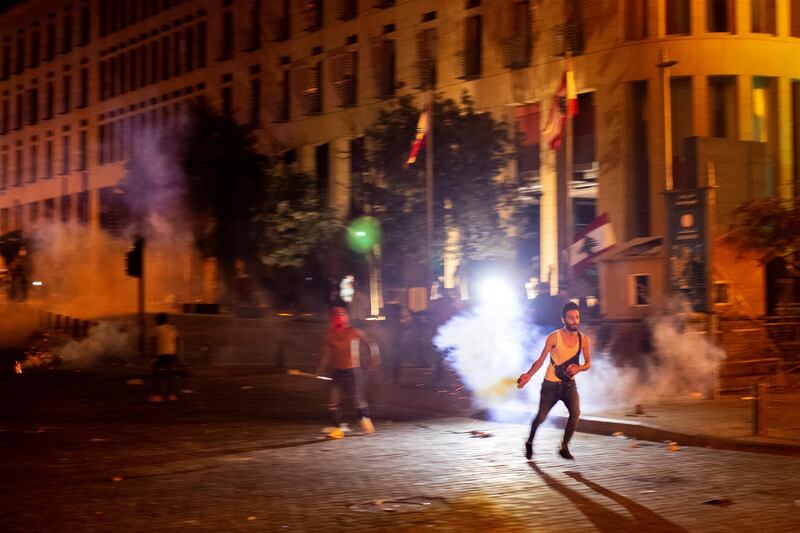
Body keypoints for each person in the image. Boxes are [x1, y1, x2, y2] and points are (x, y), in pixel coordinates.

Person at [517, 301, 591, 460]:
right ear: (563, 319)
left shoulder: (583, 340)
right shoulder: (554, 337)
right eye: (571, 318)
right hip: (550, 385)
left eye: (577, 317)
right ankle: (529, 441)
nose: (575, 321)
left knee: (575, 413)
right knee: (541, 417)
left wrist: (579, 368)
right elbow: (541, 359)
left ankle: (564, 447)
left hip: (569, 385)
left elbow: (588, 364)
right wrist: (528, 375)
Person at [316, 307, 381, 436]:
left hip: (353, 371)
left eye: (342, 313)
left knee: (358, 399)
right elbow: (326, 356)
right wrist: (320, 369)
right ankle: (336, 427)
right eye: (336, 314)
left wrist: (375, 358)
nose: (339, 316)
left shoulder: (354, 332)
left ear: (346, 317)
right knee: (333, 400)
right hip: (337, 371)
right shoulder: (330, 337)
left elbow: (371, 344)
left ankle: (366, 423)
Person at [149, 312, 181, 403]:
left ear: (158, 320)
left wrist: (152, 355)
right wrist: (176, 356)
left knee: (155, 375)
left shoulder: (155, 330)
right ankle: (172, 395)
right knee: (169, 375)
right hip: (171, 354)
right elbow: (177, 342)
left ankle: (157, 396)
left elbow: (153, 344)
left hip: (160, 355)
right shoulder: (172, 329)